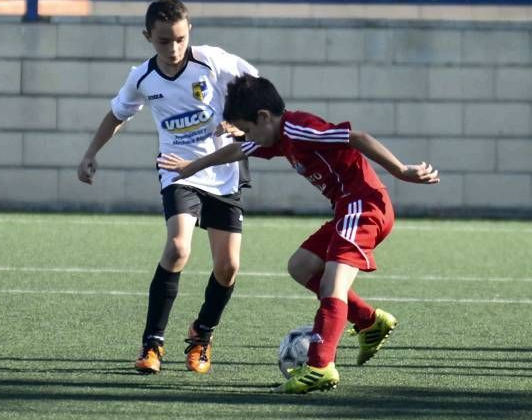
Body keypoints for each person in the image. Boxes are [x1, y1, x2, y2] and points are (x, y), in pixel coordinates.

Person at [157, 75, 439, 393]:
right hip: (348, 210)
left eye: (248, 129)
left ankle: (320, 366)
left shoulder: (298, 128)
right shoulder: (276, 138)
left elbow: (357, 137)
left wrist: (401, 170)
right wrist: (192, 166)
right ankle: (368, 321)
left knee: (333, 283)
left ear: (264, 117)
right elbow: (237, 151)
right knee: (301, 266)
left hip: (364, 207)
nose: (247, 136)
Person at [77, 0, 258, 375]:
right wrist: (92, 152)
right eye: (163, 41)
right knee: (177, 248)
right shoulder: (142, 77)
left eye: (178, 38)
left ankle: (202, 335)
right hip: (177, 170)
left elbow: (260, 94)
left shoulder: (213, 61)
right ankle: (152, 345)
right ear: (148, 37)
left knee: (228, 266)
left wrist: (239, 125)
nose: (173, 49)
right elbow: (117, 114)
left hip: (223, 170)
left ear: (188, 30)